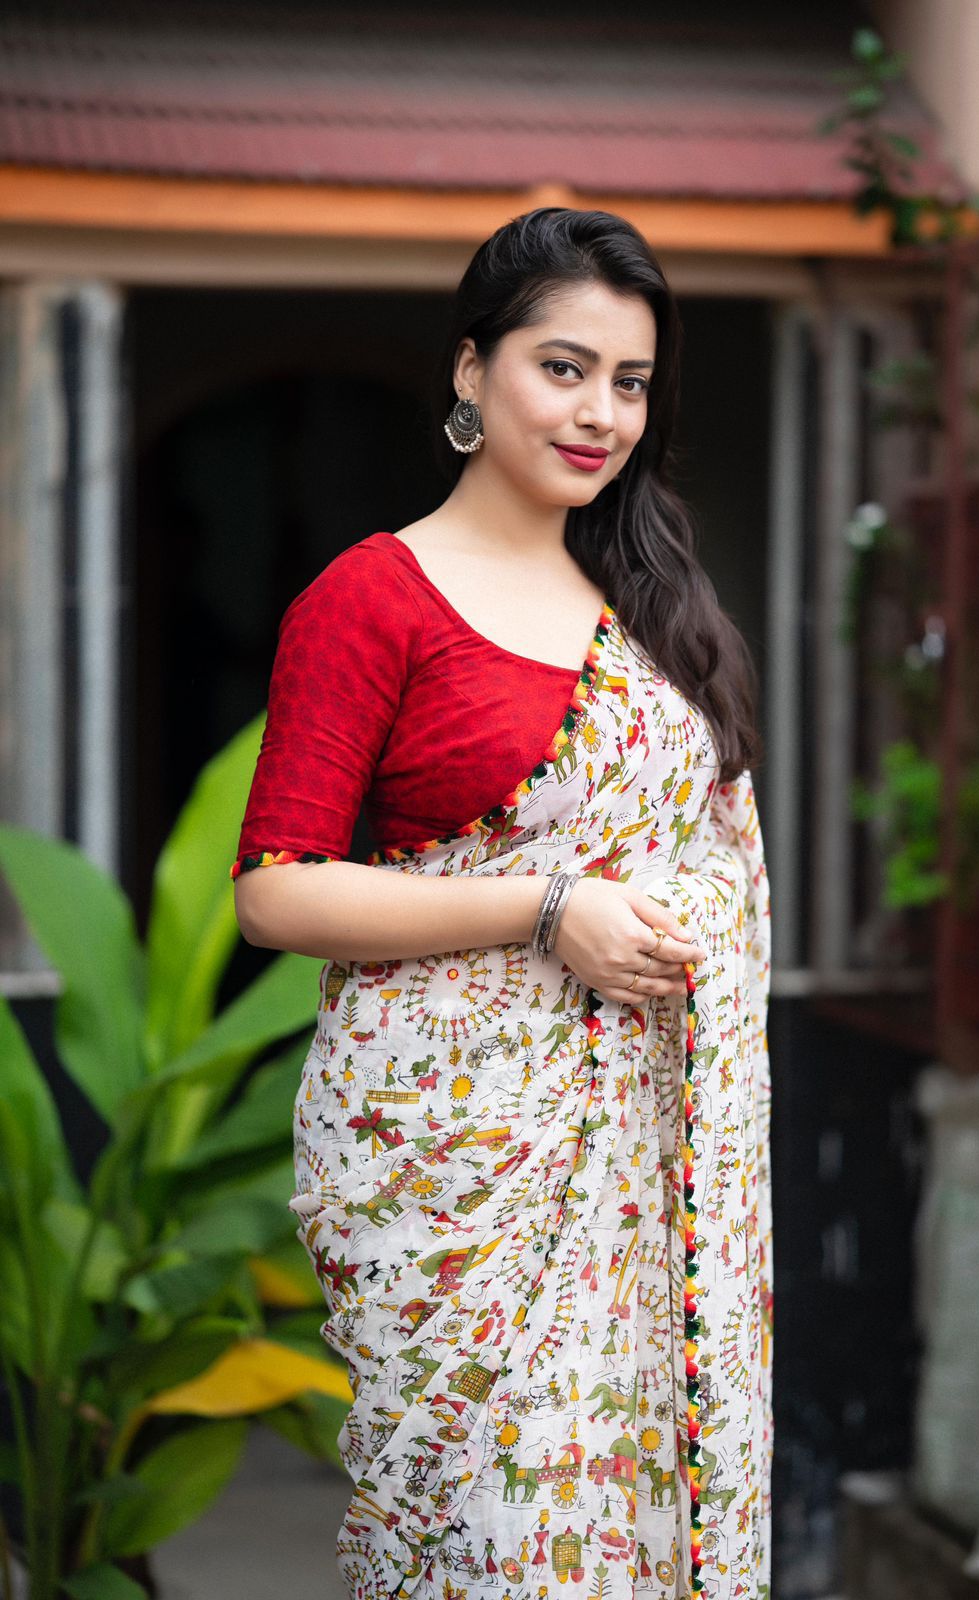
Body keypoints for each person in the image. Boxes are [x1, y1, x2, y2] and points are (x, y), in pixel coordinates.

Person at [231, 207, 772, 1600]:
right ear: (473, 371)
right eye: (563, 368)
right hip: (458, 1176)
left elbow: (712, 858)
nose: (601, 415)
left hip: (650, 1166)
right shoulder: (375, 595)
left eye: (630, 383)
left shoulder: (653, 605)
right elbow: (275, 892)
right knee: (495, 1550)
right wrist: (546, 910)